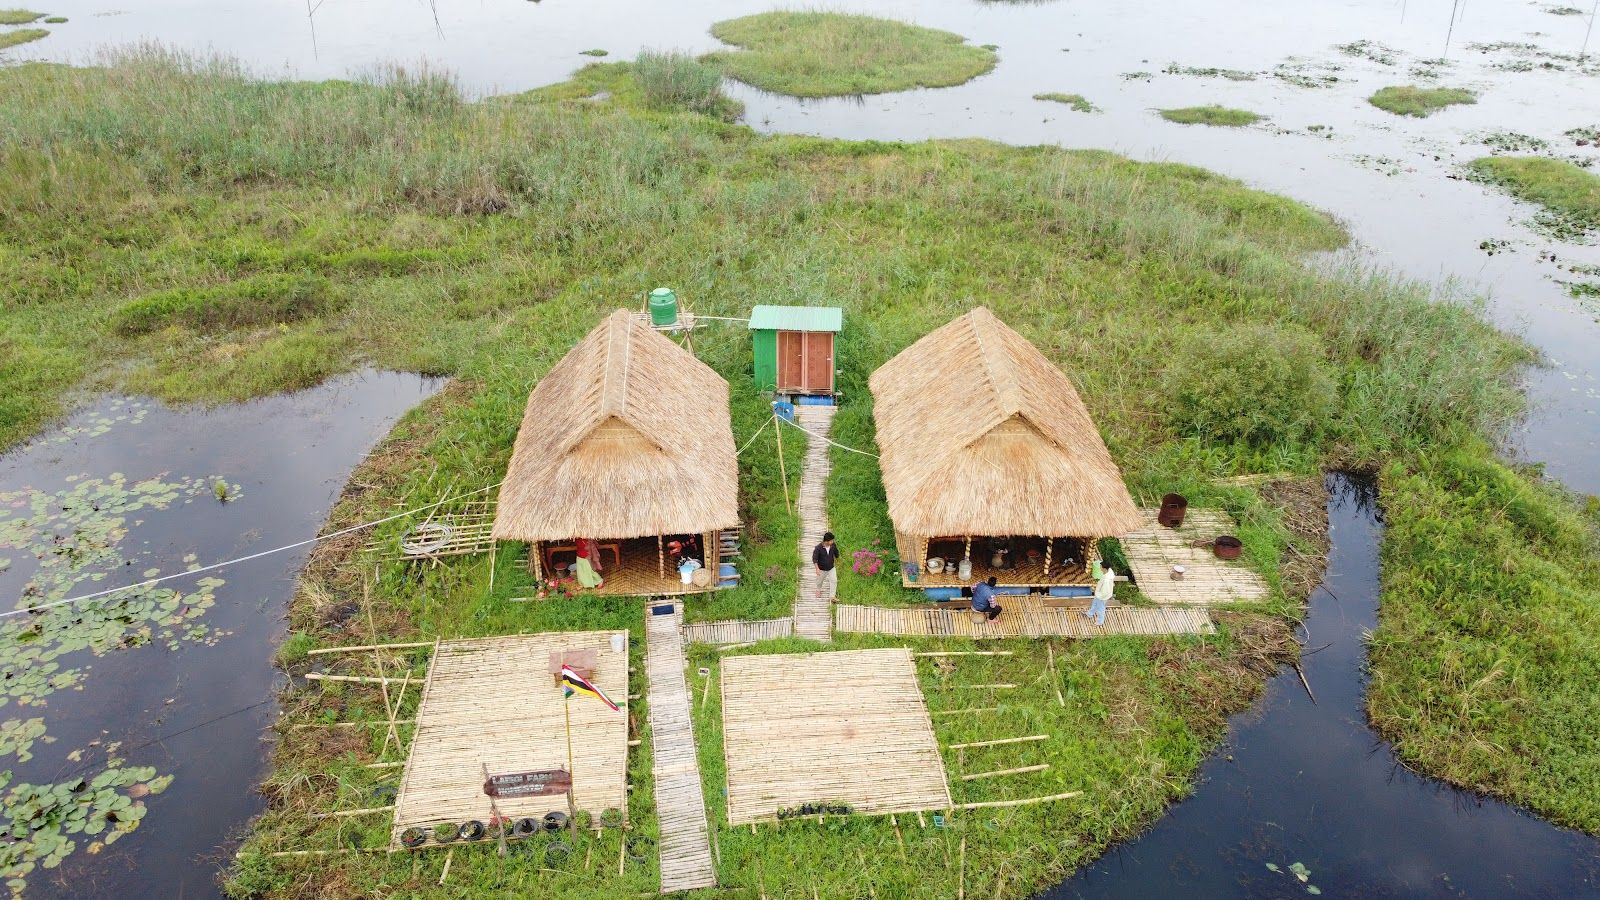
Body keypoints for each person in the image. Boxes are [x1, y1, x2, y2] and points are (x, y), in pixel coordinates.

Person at [1084, 562, 1115, 626]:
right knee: (1095, 603)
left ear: (1104, 568)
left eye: (1100, 566)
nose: (1100, 567)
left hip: (1102, 596)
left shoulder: (1106, 579)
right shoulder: (1109, 571)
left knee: (1100, 608)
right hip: (1100, 593)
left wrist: (1098, 594)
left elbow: (1104, 591)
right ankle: (1090, 614)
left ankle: (1100, 622)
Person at [812, 531, 839, 602]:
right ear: (827, 541)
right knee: (819, 581)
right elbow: (815, 559)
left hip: (831, 568)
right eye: (831, 540)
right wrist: (817, 569)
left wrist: (837, 554)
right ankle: (818, 590)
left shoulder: (833, 545)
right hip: (821, 569)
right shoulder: (818, 548)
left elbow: (836, 554)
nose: (833, 541)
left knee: (834, 580)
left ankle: (832, 596)